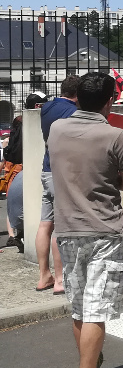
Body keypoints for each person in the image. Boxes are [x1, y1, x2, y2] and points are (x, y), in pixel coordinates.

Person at [48, 72, 123, 368]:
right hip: (104, 229)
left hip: (68, 229)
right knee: (97, 309)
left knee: (80, 307)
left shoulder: (56, 129)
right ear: (108, 102)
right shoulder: (115, 135)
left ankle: (90, 366)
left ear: (75, 98)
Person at [36, 77, 79, 293]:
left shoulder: (47, 108)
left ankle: (44, 276)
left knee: (45, 224)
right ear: (77, 94)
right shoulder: (72, 112)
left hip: (46, 169)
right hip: (61, 172)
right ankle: (60, 280)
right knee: (60, 229)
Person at [4, 91, 48, 253]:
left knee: (13, 200)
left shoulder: (19, 121)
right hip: (24, 166)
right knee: (28, 200)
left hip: (14, 165)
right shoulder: (32, 123)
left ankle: (14, 234)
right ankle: (19, 234)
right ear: (37, 106)